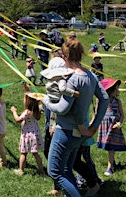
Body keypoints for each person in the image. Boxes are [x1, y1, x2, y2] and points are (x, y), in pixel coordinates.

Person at [41, 36, 109, 197]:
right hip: (81, 130)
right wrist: (94, 125)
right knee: (66, 169)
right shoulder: (89, 74)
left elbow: (63, 109)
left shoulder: (71, 79)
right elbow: (104, 98)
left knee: (55, 171)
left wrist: (45, 101)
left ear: (64, 58)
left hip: (66, 131)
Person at [97, 78, 126, 176]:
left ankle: (109, 167)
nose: (117, 91)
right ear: (109, 90)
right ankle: (112, 162)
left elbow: (122, 115)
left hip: (114, 126)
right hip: (104, 126)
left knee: (111, 148)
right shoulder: (101, 101)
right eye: (115, 89)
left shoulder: (118, 102)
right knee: (108, 146)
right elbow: (96, 113)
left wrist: (119, 123)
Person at [11, 93, 44, 175]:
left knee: (24, 153)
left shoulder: (27, 112)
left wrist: (14, 112)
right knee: (35, 153)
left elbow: (18, 119)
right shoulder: (36, 110)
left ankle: (20, 170)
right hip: (35, 134)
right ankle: (41, 170)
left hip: (28, 135)